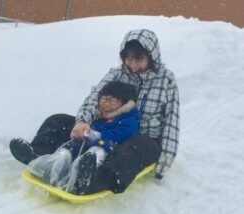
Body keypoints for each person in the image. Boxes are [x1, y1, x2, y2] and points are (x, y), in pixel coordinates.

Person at [10, 29, 180, 194]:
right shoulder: (116, 74)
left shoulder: (166, 80)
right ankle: (40, 159)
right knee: (58, 121)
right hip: (105, 128)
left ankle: (92, 181)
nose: (133, 65)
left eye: (139, 59)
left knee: (135, 147)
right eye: (128, 58)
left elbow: (172, 122)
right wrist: (82, 121)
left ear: (152, 57)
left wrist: (162, 165)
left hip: (141, 139)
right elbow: (93, 99)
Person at [26, 81, 140, 195]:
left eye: (112, 100)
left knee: (97, 151)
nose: (106, 104)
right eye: (103, 99)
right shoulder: (100, 115)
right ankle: (48, 165)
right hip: (88, 143)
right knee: (70, 148)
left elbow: (124, 133)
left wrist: (97, 136)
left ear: (124, 103)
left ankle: (84, 176)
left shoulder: (128, 119)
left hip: (109, 148)